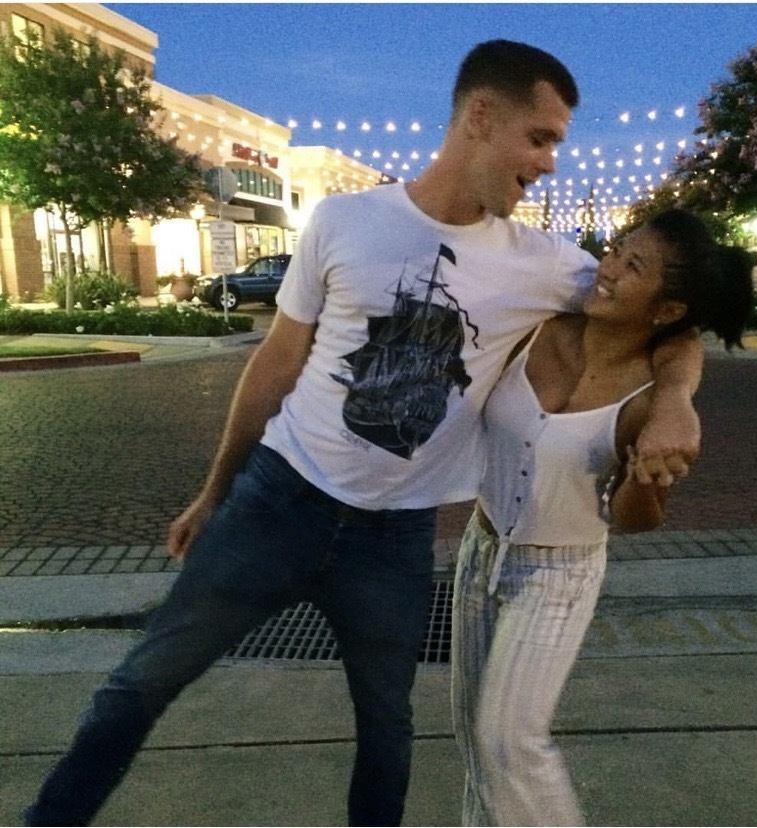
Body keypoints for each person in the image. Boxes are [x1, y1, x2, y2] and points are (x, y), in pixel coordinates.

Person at [24, 41, 703, 827]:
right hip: (280, 500)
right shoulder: (344, 220)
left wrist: (675, 401)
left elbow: (671, 325)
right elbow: (277, 363)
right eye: (540, 138)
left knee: (388, 731)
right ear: (482, 117)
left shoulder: (546, 264)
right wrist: (216, 492)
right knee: (142, 679)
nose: (550, 163)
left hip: (394, 537)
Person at [451, 208, 753, 827]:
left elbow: (634, 519)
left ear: (667, 310)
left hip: (558, 576)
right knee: (477, 745)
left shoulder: (646, 399)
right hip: (478, 553)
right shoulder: (539, 324)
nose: (607, 267)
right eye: (617, 249)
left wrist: (644, 477)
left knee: (511, 741)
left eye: (632, 265)